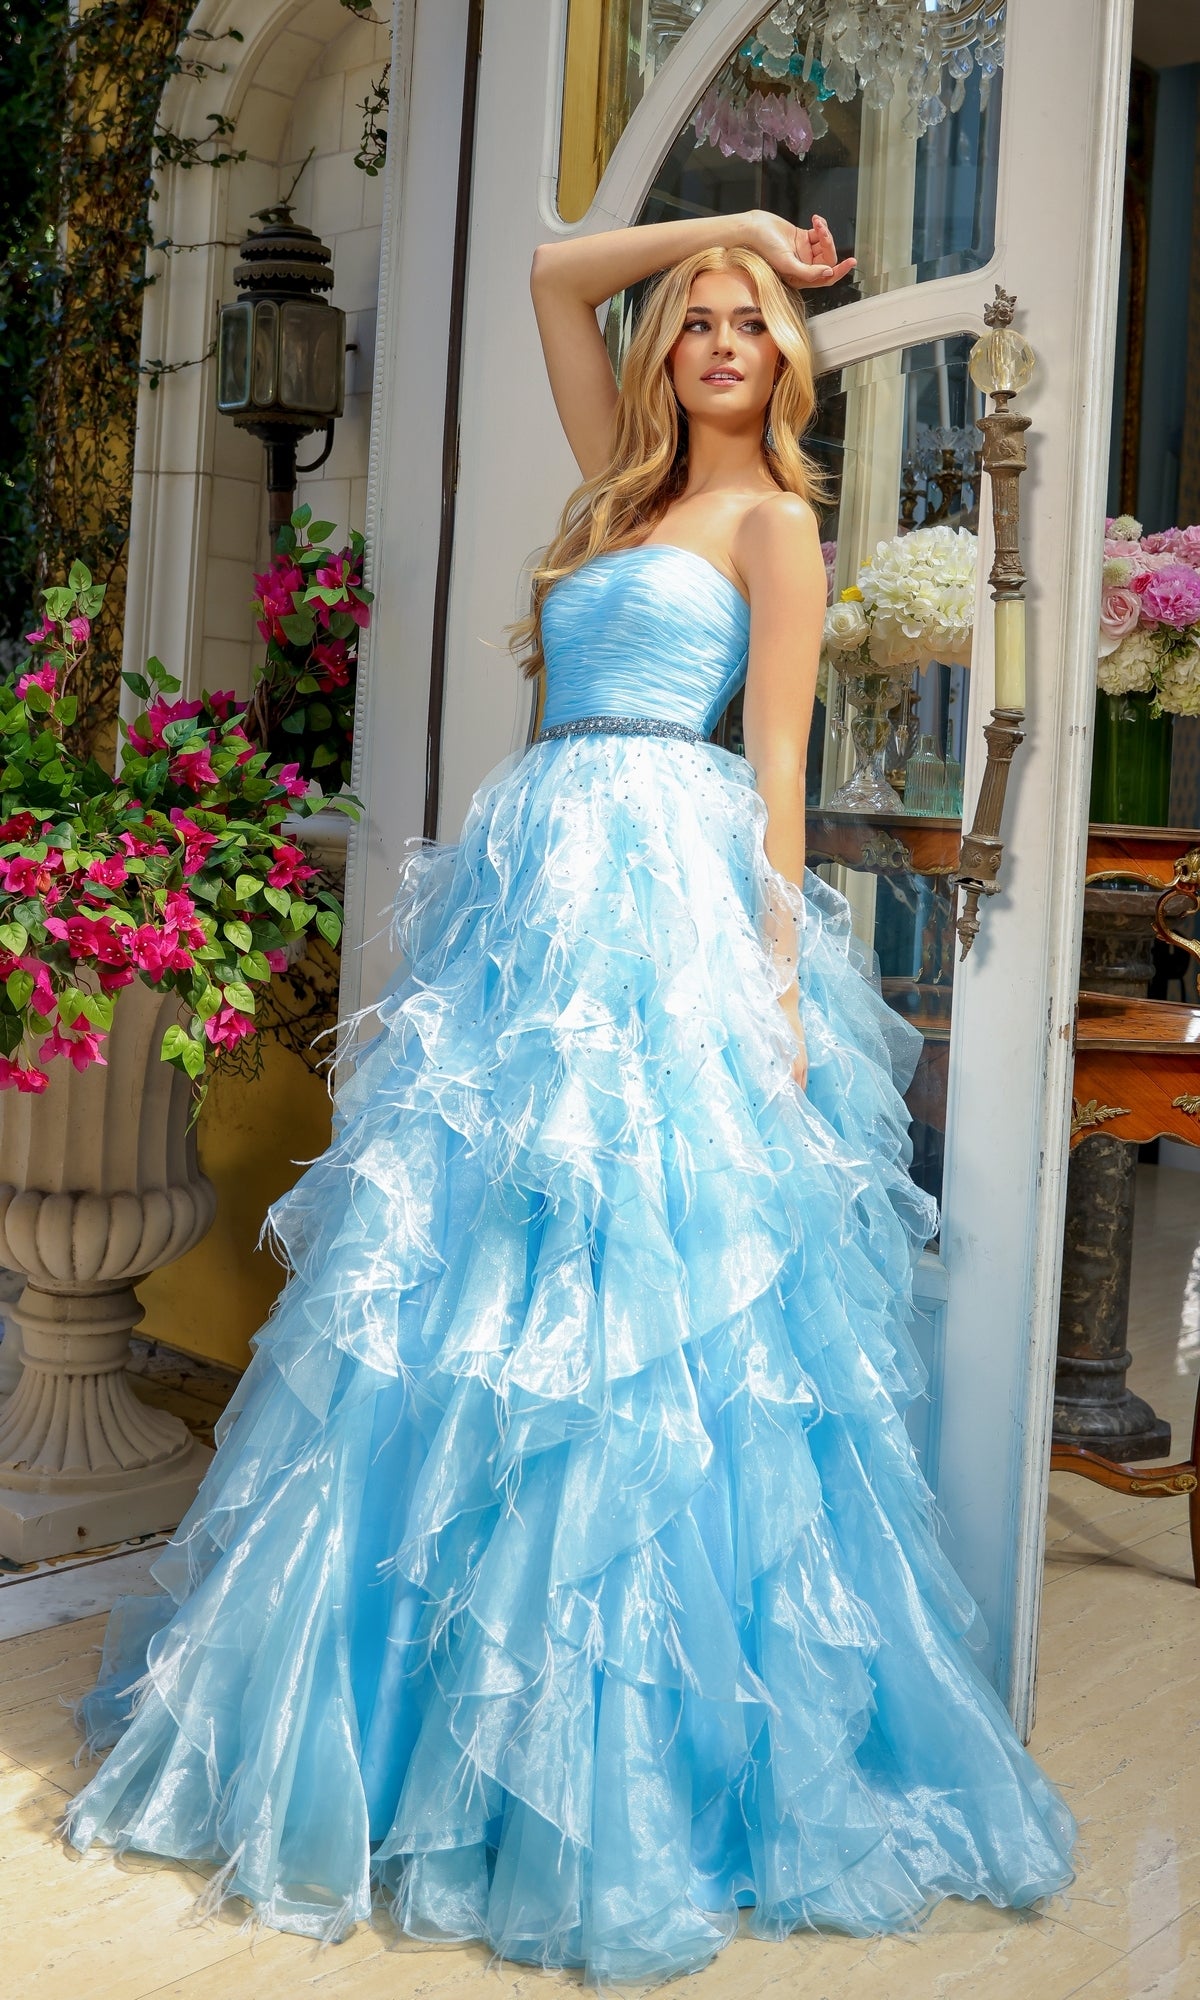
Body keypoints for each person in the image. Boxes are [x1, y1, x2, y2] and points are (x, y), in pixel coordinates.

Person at [64, 208, 1078, 1988]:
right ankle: (404, 1706)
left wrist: (766, 996)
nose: (714, 340)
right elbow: (551, 272)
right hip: (536, 884)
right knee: (469, 1283)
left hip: (671, 900)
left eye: (748, 324)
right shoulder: (614, 498)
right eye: (694, 320)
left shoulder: (776, 524)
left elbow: (775, 765)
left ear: (785, 367)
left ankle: (623, 1752)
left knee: (643, 1283)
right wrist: (746, 222)